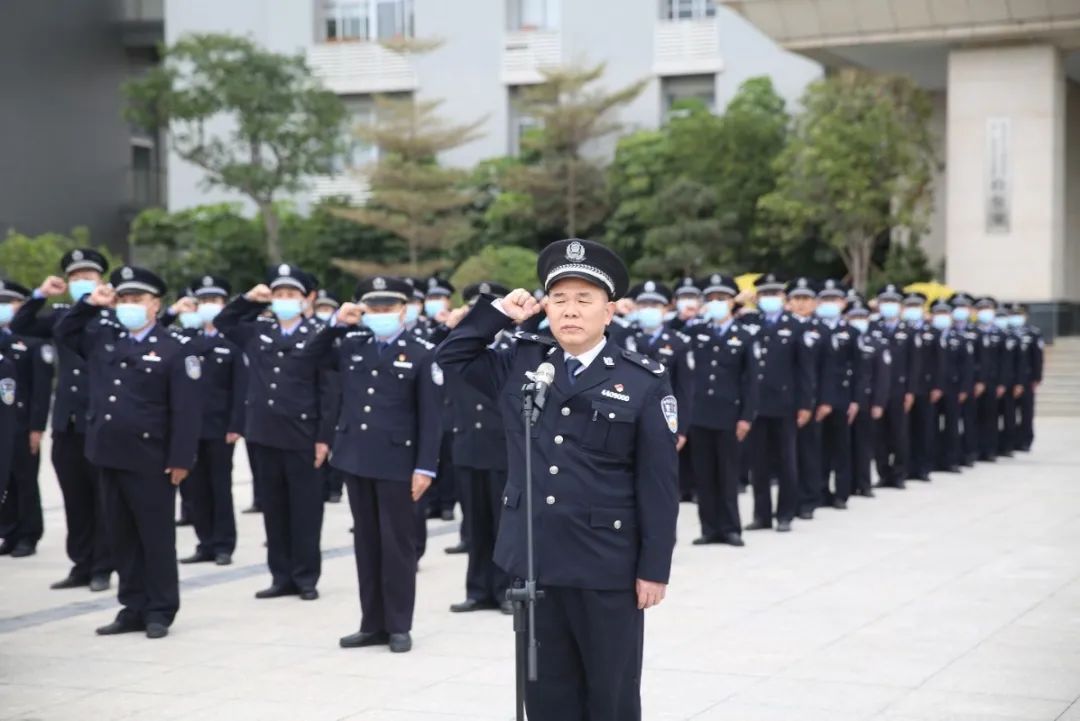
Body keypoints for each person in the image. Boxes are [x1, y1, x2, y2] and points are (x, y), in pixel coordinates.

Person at [437, 238, 678, 721]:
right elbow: (453, 357)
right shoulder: (523, 362)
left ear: (608, 312)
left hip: (606, 567)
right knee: (547, 697)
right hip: (536, 558)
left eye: (584, 300)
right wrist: (499, 314)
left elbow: (659, 484)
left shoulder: (643, 381)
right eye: (560, 299)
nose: (570, 311)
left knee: (610, 696)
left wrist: (654, 567)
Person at [55, 266, 202, 639]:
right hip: (108, 454)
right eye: (123, 299)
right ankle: (132, 606)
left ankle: (160, 609)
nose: (129, 306)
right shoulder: (105, 339)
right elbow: (63, 333)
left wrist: (181, 458)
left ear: (156, 305)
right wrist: (89, 303)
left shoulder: (174, 349)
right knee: (121, 536)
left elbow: (186, 411)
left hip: (151, 459)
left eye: (137, 300)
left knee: (155, 537)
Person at [327, 277, 441, 654]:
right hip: (357, 458)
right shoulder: (352, 346)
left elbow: (431, 417)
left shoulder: (422, 352)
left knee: (398, 546)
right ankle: (371, 623)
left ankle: (398, 625)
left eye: (387, 308)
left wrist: (425, 467)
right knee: (366, 544)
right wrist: (336, 324)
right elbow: (309, 358)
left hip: (398, 462)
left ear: (404, 310)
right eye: (373, 308)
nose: (380, 315)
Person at [214, 265, 335, 601]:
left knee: (306, 510)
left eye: (291, 294)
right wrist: (249, 301)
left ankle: (306, 577)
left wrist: (325, 436)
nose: (284, 300)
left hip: (303, 434)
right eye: (279, 294)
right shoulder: (258, 330)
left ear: (306, 298)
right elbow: (224, 323)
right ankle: (281, 576)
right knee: (275, 508)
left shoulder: (319, 333)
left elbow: (329, 389)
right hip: (264, 433)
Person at [11, 250, 113, 590]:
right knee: (75, 498)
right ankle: (81, 564)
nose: (82, 283)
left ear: (101, 281)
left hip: (99, 422)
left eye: (89, 276)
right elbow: (22, 325)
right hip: (66, 422)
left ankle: (102, 566)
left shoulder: (113, 316)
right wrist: (39, 295)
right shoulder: (61, 316)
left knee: (102, 499)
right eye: (76, 277)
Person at [444, 282, 515, 615]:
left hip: (501, 448)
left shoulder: (514, 345)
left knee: (503, 525)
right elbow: (436, 358)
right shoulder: (459, 343)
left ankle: (504, 590)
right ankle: (477, 590)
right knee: (474, 525)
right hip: (468, 446)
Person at [172, 276, 243, 566]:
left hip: (219, 427)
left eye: (214, 301)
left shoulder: (233, 341)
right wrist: (174, 312)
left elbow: (241, 388)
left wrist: (237, 424)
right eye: (203, 302)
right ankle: (205, 542)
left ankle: (224, 544)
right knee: (194, 489)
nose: (208, 307)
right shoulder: (187, 338)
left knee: (219, 486)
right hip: (189, 429)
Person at [686, 273, 757, 546]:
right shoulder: (696, 331)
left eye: (722, 299)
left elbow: (750, 382)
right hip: (700, 413)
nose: (716, 303)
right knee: (703, 475)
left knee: (728, 474)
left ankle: (730, 528)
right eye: (712, 299)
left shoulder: (744, 335)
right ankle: (709, 528)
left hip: (729, 415)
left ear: (732, 303)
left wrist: (746, 417)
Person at [747, 273, 816, 533]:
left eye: (774, 294)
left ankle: (785, 513)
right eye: (765, 294)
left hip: (786, 404)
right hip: (757, 404)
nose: (770, 299)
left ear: (783, 298)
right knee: (759, 462)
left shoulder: (796, 326)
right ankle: (761, 515)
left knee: (787, 461)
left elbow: (805, 371)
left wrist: (806, 404)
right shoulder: (751, 324)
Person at [0, 281, 53, 557]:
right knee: (4, 481)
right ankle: (8, 532)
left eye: (8, 301)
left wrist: (37, 428)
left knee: (25, 480)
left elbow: (41, 391)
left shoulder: (33, 344)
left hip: (22, 424)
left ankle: (28, 535)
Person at [814, 280, 857, 510]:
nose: (829, 304)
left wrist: (856, 400)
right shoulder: (815, 329)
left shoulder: (850, 332)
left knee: (841, 447)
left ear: (843, 303)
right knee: (820, 447)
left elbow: (859, 370)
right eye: (825, 299)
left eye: (834, 299)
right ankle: (820, 490)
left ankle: (841, 493)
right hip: (820, 398)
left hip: (842, 396)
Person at [872, 284, 920, 489]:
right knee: (879, 434)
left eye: (893, 302)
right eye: (885, 302)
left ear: (900, 306)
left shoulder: (908, 331)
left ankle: (899, 473)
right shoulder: (873, 329)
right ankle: (884, 473)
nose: (889, 306)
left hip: (899, 389)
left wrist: (911, 390)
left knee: (899, 433)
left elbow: (915, 364)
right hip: (877, 390)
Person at [786, 277, 826, 519]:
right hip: (787, 399)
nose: (801, 304)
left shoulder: (821, 330)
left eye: (806, 299)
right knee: (789, 455)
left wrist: (822, 400)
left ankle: (809, 499)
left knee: (809, 451)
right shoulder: (783, 327)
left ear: (814, 303)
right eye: (797, 299)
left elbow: (828, 370)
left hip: (812, 399)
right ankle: (791, 499)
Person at [846, 295, 889, 497]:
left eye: (862, 315)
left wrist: (879, 402)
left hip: (867, 400)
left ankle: (864, 483)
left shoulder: (876, 343)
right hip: (846, 401)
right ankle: (846, 484)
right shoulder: (843, 340)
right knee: (845, 446)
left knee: (864, 445)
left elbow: (882, 375)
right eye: (854, 316)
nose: (858, 319)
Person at [902, 293, 940, 482]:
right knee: (905, 430)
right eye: (909, 305)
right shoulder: (899, 329)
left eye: (916, 305)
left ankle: (923, 467)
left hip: (926, 386)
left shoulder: (931, 331)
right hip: (904, 387)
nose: (912, 309)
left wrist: (937, 385)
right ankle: (906, 467)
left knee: (924, 428)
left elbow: (939, 362)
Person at [932, 299, 971, 473]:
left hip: (953, 387)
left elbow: (966, 366)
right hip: (931, 388)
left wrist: (964, 388)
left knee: (952, 425)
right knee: (930, 425)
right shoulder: (928, 336)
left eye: (945, 313)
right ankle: (932, 460)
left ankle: (951, 460)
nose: (941, 317)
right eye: (938, 313)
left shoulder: (959, 338)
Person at [973, 296, 1006, 462]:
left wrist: (1002, 383)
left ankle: (990, 449)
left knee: (991, 417)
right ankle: (975, 449)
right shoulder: (972, 331)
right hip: (975, 382)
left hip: (993, 381)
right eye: (981, 309)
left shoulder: (999, 333)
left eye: (988, 309)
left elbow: (1003, 361)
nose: (985, 312)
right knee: (975, 417)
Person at [1010, 303, 1043, 452]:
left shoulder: (1033, 333)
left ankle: (1025, 440)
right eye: (1014, 313)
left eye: (1020, 313)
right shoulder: (1007, 332)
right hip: (1010, 379)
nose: (1017, 316)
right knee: (1010, 411)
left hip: (1027, 378)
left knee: (1026, 412)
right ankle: (1012, 439)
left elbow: (1038, 357)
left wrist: (1037, 377)